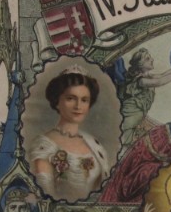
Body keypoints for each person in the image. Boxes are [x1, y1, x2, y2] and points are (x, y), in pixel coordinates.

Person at [28, 67, 111, 201]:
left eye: (84, 100)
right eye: (71, 98)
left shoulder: (94, 144)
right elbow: (46, 197)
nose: (78, 106)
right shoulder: (44, 146)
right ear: (57, 102)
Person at [117, 48, 171, 144]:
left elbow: (162, 75)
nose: (152, 59)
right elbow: (160, 81)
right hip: (129, 118)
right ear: (140, 64)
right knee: (122, 142)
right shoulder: (141, 81)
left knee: (125, 142)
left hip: (134, 119)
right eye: (147, 59)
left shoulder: (148, 76)